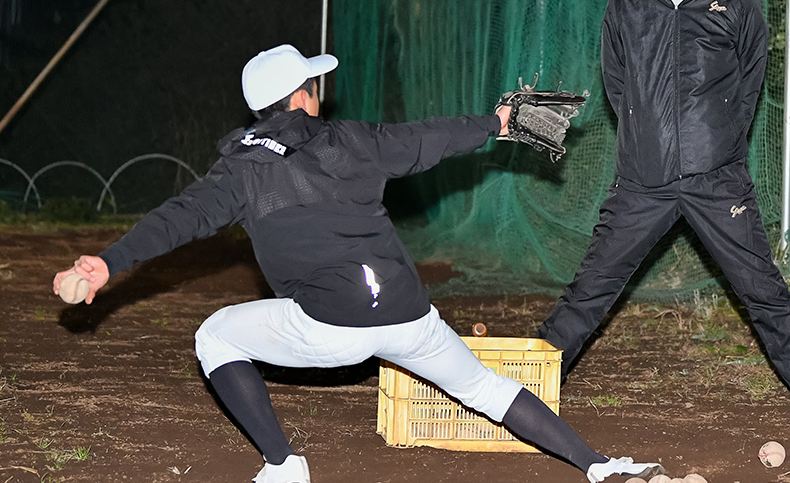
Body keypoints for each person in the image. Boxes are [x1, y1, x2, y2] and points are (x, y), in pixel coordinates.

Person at [53, 43, 664, 483]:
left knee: (214, 335)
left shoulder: (239, 171)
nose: (320, 91)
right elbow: (429, 138)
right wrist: (497, 122)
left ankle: (283, 465)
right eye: (314, 83)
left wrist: (106, 264)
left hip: (328, 330)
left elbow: (177, 218)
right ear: (301, 98)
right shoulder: (354, 142)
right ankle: (600, 467)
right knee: (483, 387)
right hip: (408, 316)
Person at [536, 0, 790, 442]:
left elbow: (749, 84)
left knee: (761, 287)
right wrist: (647, 138)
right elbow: (618, 84)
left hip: (716, 179)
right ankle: (524, 391)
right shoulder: (626, 5)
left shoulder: (736, 5)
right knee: (592, 285)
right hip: (642, 179)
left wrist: (717, 141)